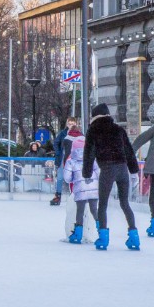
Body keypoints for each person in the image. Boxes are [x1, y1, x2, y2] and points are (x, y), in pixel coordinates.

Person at [81, 103, 140, 251]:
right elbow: (129, 151)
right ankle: (134, 236)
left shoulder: (93, 130)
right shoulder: (119, 129)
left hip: (107, 169)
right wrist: (134, 170)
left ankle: (103, 238)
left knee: (103, 204)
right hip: (122, 168)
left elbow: (89, 154)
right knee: (125, 203)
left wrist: (87, 173)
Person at [63, 134, 99, 244]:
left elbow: (67, 178)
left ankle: (77, 235)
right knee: (94, 211)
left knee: (80, 211)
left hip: (80, 191)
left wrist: (75, 179)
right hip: (93, 190)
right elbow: (99, 173)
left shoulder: (71, 161)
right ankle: (101, 232)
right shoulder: (93, 160)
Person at [50, 120, 81, 207]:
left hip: (75, 159)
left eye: (73, 124)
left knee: (75, 177)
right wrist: (58, 152)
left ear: (75, 124)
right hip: (63, 159)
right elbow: (56, 143)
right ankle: (58, 195)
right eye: (69, 124)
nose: (71, 125)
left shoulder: (79, 134)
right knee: (60, 177)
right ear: (67, 124)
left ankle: (75, 195)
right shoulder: (63, 133)